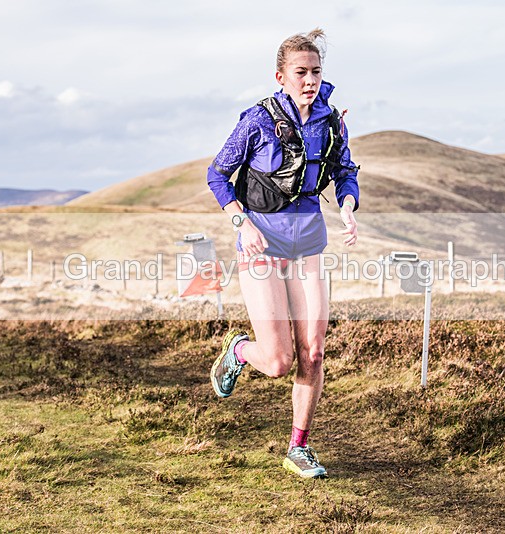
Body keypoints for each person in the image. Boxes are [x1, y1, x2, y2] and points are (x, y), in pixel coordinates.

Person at [206, 28, 360, 479]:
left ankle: (299, 446)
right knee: (278, 362)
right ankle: (238, 351)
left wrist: (348, 205)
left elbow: (345, 171)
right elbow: (217, 175)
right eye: (300, 72)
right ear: (281, 76)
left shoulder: (331, 123)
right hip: (262, 242)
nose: (309, 80)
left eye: (315, 72)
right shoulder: (256, 120)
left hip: (308, 243)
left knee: (313, 354)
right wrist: (242, 222)